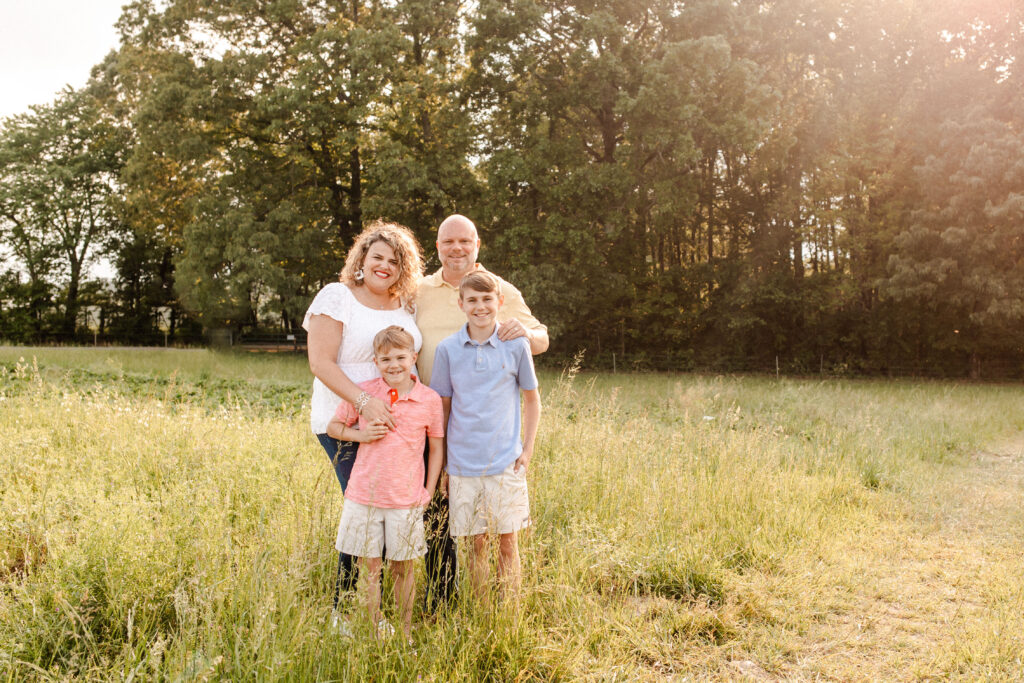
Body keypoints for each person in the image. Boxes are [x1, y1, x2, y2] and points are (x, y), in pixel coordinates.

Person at [414, 213, 549, 612]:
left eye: (465, 241)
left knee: (501, 534)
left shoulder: (498, 288)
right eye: (448, 242)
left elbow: (541, 335)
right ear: (437, 247)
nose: (457, 248)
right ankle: (443, 600)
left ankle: (502, 608)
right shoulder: (418, 289)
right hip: (432, 421)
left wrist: (524, 333)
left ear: (477, 245)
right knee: (441, 520)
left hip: (492, 436)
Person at [303, 220, 424, 605]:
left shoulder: (405, 305)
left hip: (398, 427)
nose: (384, 265)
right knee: (363, 513)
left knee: (392, 512)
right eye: (377, 257)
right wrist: (364, 403)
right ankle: (344, 610)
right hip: (347, 422)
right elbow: (320, 363)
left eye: (394, 261)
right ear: (362, 259)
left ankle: (375, 608)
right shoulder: (337, 296)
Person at [429, 271, 541, 601]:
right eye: (473, 300)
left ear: (499, 302)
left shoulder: (516, 345)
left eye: (487, 299)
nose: (480, 307)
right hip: (464, 464)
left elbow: (532, 400)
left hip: (506, 461)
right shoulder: (447, 349)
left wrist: (528, 449)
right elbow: (443, 409)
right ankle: (481, 612)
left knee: (508, 541)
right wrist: (446, 463)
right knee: (476, 544)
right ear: (461, 303)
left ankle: (508, 613)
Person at [328, 326, 443, 639]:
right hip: (364, 496)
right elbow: (334, 426)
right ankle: (374, 624)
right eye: (386, 359)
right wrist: (360, 435)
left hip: (406, 498)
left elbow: (436, 448)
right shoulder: (365, 394)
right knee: (370, 567)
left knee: (403, 567)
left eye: (400, 357)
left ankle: (404, 631)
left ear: (413, 358)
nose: (394, 364)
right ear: (376, 362)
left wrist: (429, 490)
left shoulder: (428, 399)